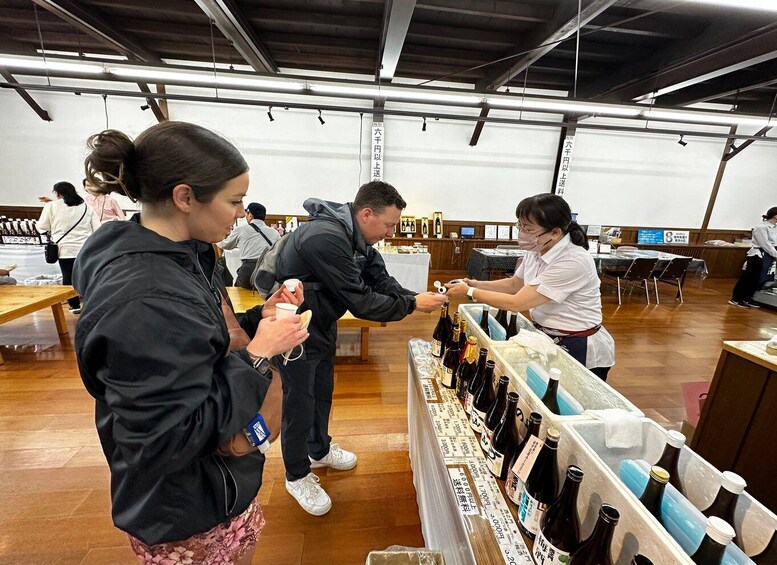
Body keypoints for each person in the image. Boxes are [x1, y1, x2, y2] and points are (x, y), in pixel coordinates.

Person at [72, 122, 309, 565]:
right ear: (185, 197)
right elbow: (163, 441)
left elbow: (200, 340)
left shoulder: (186, 254)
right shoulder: (144, 297)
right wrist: (258, 355)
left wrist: (262, 318)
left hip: (218, 481)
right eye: (234, 201)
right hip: (183, 506)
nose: (240, 214)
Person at [273, 180, 447, 515]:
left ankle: (318, 449)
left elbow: (379, 279)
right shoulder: (326, 238)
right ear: (366, 213)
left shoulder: (356, 236)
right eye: (389, 225)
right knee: (298, 400)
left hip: (321, 322)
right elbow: (362, 302)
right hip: (293, 326)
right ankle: (296, 475)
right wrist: (412, 307)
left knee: (322, 389)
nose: (391, 232)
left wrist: (412, 297)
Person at [446, 193, 615, 381]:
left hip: (577, 341)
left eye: (527, 229)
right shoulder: (537, 249)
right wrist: (476, 284)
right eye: (520, 226)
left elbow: (517, 303)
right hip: (546, 335)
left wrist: (469, 292)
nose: (522, 233)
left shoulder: (573, 260)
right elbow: (515, 284)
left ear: (555, 232)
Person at [36, 181, 100, 313]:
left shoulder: (51, 206)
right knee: (88, 276)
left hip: (64, 248)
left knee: (68, 277)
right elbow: (97, 228)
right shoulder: (87, 207)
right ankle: (91, 305)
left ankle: (74, 305)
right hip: (85, 247)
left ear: (58, 193)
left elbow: (42, 226)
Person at [218, 202, 280, 288]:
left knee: (240, 294)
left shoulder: (241, 229)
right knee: (264, 295)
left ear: (250, 215)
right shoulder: (274, 232)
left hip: (248, 269)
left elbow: (225, 245)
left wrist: (215, 240)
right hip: (268, 269)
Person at [729, 206, 777, 308]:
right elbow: (764, 243)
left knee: (758, 278)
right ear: (775, 216)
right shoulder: (761, 227)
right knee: (748, 277)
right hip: (758, 254)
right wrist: (775, 254)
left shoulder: (775, 228)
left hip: (768, 255)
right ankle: (736, 298)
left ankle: (748, 297)